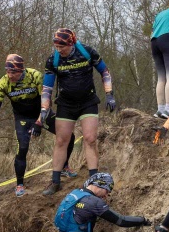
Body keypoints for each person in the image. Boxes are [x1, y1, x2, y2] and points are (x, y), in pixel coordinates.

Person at [0, 54, 77, 197]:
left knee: (68, 136)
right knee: (22, 147)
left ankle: (64, 167)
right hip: (22, 117)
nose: (9, 75)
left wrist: (39, 122)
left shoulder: (35, 76)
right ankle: (19, 184)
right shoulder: (3, 83)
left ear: (21, 70)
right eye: (7, 71)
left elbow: (46, 102)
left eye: (13, 72)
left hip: (42, 112)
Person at [39, 29, 117, 196]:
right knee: (61, 140)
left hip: (87, 101)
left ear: (71, 43)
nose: (59, 50)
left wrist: (109, 94)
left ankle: (94, 179)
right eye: (56, 46)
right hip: (66, 104)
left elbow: (105, 71)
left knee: (90, 138)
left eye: (62, 47)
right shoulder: (53, 59)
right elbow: (47, 87)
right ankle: (55, 181)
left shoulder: (87, 52)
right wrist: (44, 108)